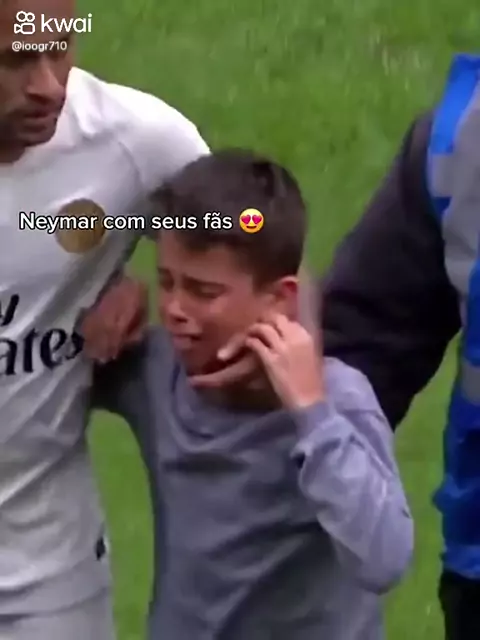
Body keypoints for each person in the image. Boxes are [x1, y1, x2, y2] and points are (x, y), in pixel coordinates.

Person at [92, 149, 414, 639]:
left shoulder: (337, 399)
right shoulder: (157, 370)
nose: (175, 308)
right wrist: (100, 304)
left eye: (204, 291)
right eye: (166, 283)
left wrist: (313, 414)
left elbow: (385, 559)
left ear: (280, 298)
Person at [0, 0, 209, 636]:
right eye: (16, 59)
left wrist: (164, 282)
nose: (49, 86)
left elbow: (247, 232)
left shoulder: (131, 142)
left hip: (48, 570)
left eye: (61, 48)